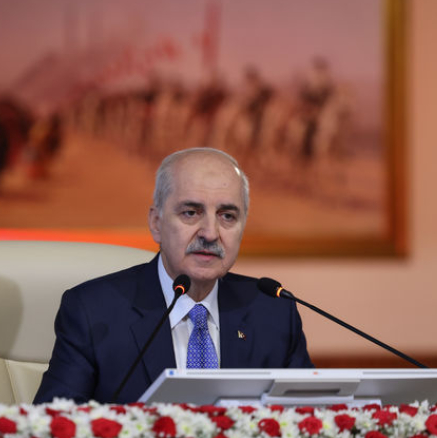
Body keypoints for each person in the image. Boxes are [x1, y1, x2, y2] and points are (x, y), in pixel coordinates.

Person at [33, 148, 313, 404]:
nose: (210, 233)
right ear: (156, 223)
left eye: (227, 216)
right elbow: (55, 426)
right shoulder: (93, 311)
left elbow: (310, 417)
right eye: (191, 213)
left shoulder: (274, 311)